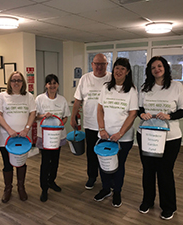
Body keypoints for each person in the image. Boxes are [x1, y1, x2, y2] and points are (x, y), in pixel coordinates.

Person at [137, 56, 183, 220]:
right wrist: (142, 114)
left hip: (170, 138)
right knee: (148, 170)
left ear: (165, 68)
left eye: (159, 66)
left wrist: (169, 116)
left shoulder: (176, 86)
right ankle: (147, 201)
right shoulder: (145, 87)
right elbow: (139, 108)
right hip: (147, 135)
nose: (156, 69)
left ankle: (169, 206)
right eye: (153, 67)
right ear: (150, 71)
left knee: (165, 172)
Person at [94, 58, 138, 207]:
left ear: (127, 72)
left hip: (123, 138)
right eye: (117, 68)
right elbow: (99, 109)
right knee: (104, 163)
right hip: (105, 135)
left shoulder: (131, 90)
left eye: (122, 69)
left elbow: (133, 114)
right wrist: (101, 129)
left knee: (119, 165)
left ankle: (117, 191)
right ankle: (106, 188)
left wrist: (120, 133)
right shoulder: (106, 87)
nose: (118, 71)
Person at [0, 71, 36, 203]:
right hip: (5, 137)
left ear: (23, 83)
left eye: (19, 80)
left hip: (23, 138)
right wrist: (9, 129)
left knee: (21, 163)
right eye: (13, 80)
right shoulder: (2, 96)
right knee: (7, 164)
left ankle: (21, 188)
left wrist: (26, 129)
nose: (16, 83)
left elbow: (32, 113)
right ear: (9, 82)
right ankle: (8, 189)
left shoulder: (28, 96)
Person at [70, 53, 111, 189]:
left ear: (106, 65)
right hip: (90, 124)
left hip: (108, 125)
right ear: (92, 64)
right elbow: (78, 100)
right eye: (96, 64)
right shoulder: (85, 78)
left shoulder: (112, 78)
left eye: (102, 64)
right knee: (91, 153)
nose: (99, 67)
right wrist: (73, 117)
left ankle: (108, 179)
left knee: (107, 153)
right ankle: (92, 177)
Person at [35, 74, 70, 202]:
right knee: (45, 162)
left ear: (58, 85)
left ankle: (51, 181)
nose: (52, 85)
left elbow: (66, 116)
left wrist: (61, 123)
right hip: (44, 137)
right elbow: (34, 116)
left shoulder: (62, 100)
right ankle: (44, 188)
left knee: (55, 161)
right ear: (46, 85)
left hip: (57, 136)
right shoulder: (39, 99)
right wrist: (44, 115)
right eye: (50, 83)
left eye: (55, 83)